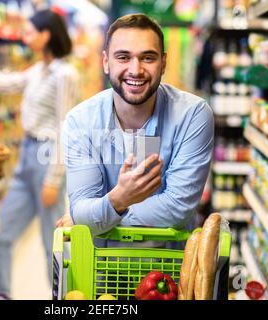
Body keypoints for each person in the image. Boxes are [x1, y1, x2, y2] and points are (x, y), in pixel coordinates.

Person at [57, 14, 214, 237]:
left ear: (164, 63)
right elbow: (81, 209)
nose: (135, 70)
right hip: (102, 265)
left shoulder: (192, 115)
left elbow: (177, 207)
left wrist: (105, 213)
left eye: (148, 58)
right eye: (123, 57)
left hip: (173, 264)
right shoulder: (81, 121)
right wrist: (115, 200)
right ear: (105, 62)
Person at [0, 9, 79, 295]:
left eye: (30, 32)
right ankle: (2, 293)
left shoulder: (65, 74)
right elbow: (2, 84)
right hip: (26, 156)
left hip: (46, 158)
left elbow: (66, 126)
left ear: (46, 35)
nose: (24, 37)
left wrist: (54, 178)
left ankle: (64, 298)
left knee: (50, 244)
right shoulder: (37, 71)